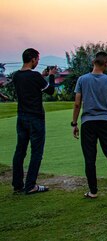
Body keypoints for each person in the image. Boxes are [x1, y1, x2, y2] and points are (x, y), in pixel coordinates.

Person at [72, 51, 107, 198]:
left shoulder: (82, 80)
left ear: (93, 62)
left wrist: (74, 123)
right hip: (105, 121)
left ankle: (93, 191)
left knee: (90, 157)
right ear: (106, 64)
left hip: (88, 122)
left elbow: (77, 103)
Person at [11, 48, 57, 195]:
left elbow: (30, 84)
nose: (38, 62)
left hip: (21, 116)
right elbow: (51, 91)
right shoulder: (35, 76)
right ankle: (31, 185)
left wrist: (41, 76)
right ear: (32, 59)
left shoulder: (16, 76)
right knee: (36, 152)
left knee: (20, 150)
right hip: (35, 117)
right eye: (37, 59)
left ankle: (18, 183)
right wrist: (50, 76)